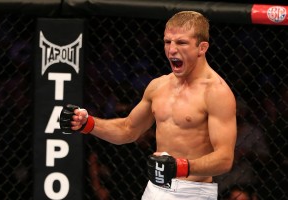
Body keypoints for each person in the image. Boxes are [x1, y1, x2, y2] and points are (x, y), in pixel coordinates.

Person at [60, 11, 237, 200]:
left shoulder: (216, 92)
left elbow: (224, 159)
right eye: (168, 42)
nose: (172, 50)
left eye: (182, 42)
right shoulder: (158, 86)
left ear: (202, 48)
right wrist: (87, 124)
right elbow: (128, 129)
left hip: (192, 192)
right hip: (155, 189)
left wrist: (181, 166)